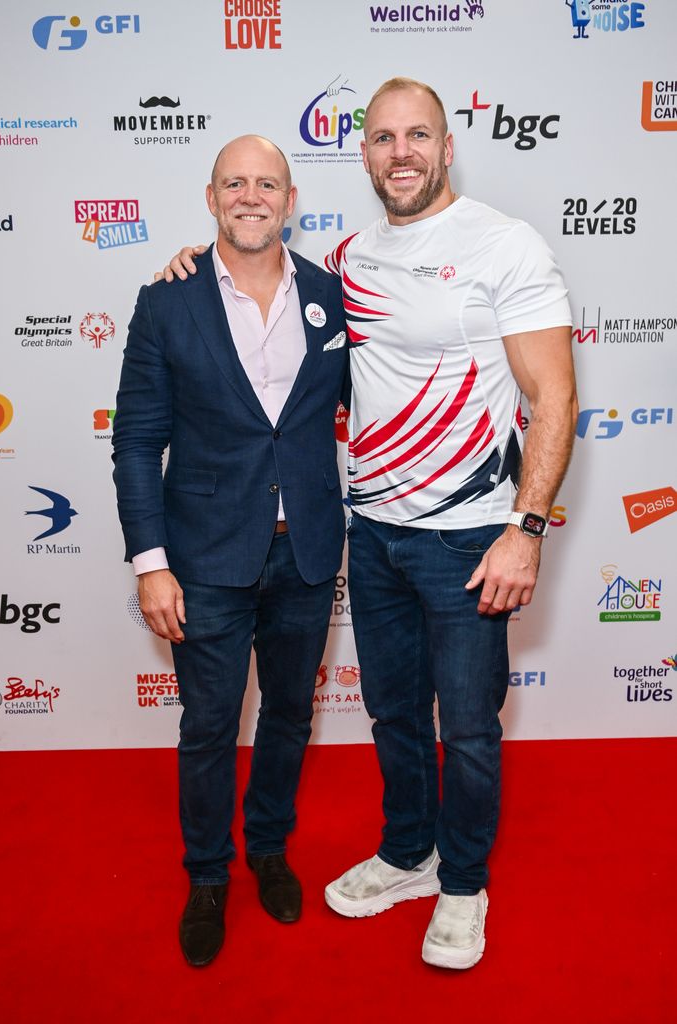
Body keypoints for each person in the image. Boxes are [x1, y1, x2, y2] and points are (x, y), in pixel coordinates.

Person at [160, 78, 578, 971]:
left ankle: (463, 884)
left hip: (472, 537)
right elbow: (252, 288)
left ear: (446, 144)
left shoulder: (504, 244)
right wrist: (190, 265)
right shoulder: (347, 263)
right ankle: (409, 852)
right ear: (363, 155)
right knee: (392, 712)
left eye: (417, 135)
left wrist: (526, 528)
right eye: (384, 138)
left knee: (465, 724)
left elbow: (555, 397)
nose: (401, 153)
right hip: (375, 533)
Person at [112, 135, 348, 968]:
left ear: (290, 199)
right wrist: (151, 563)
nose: (252, 197)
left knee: (288, 714)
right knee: (209, 727)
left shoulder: (330, 294)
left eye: (267, 184)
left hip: (308, 553)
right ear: (211, 198)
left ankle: (269, 849)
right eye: (235, 184)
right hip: (205, 558)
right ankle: (208, 875)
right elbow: (137, 442)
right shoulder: (166, 301)